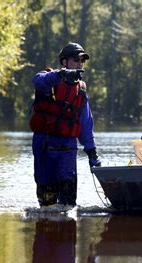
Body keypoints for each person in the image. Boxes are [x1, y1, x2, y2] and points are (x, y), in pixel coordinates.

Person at [30, 42, 101, 209]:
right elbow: (37, 82)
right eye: (75, 60)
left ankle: (67, 230)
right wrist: (60, 75)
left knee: (68, 202)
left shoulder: (81, 89)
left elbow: (85, 124)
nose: (80, 64)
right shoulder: (48, 78)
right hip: (45, 144)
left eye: (82, 60)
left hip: (68, 147)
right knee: (47, 199)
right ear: (64, 62)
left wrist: (92, 153)